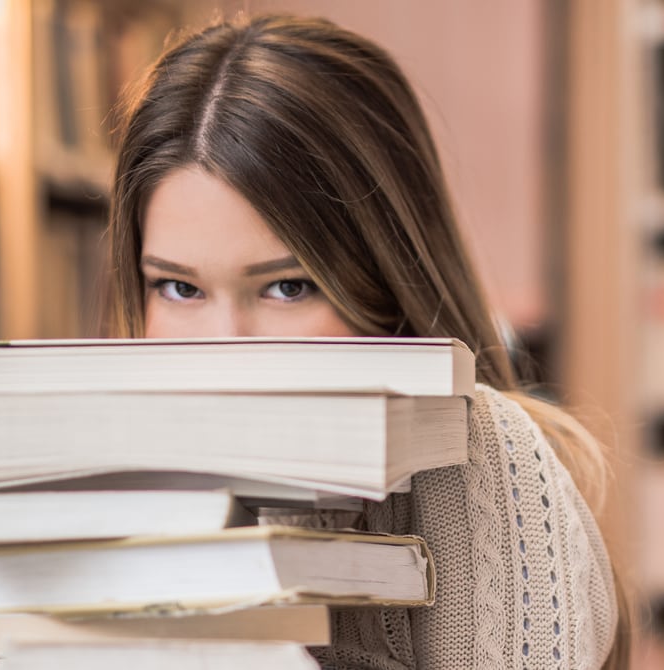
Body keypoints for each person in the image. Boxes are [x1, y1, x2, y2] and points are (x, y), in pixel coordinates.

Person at [102, 13, 629, 669]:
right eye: (179, 289)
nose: (225, 353)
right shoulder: (104, 476)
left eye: (288, 287)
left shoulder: (491, 471)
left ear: (385, 274)